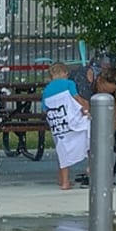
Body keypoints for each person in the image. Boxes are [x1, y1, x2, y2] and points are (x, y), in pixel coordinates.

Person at [42, 62, 90, 191]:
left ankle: (63, 181)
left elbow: (45, 109)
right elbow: (76, 99)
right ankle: (90, 167)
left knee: (62, 151)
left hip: (58, 125)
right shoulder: (69, 84)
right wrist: (86, 110)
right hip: (72, 122)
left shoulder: (46, 90)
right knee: (91, 132)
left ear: (51, 77)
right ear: (65, 73)